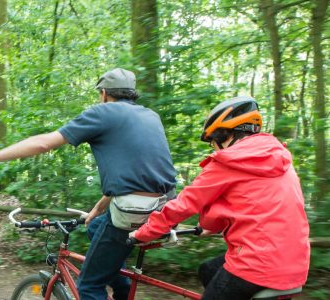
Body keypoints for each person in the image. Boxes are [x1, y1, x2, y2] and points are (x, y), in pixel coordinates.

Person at [0, 68, 176, 300]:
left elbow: (44, 143)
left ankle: (114, 289)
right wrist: (99, 207)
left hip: (133, 209)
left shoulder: (104, 113)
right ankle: (123, 291)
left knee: (89, 286)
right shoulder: (149, 115)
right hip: (165, 206)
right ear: (132, 94)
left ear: (104, 94)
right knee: (95, 226)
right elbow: (140, 172)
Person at [130, 96, 310, 300]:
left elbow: (184, 204)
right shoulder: (279, 157)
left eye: (212, 143)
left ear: (224, 136)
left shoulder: (228, 160)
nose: (214, 149)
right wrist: (213, 226)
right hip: (295, 263)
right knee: (208, 270)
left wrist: (143, 234)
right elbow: (255, 206)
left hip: (257, 264)